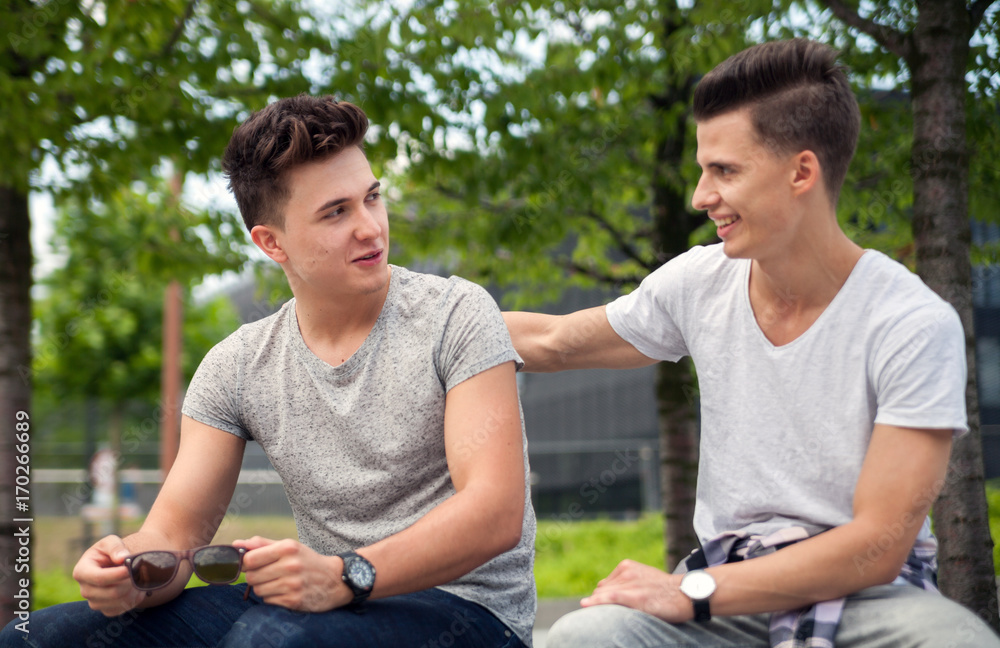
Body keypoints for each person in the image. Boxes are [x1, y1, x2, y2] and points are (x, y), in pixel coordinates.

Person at [505, 39, 1000, 647]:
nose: (700, 196)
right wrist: (408, 310)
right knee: (584, 637)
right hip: (724, 591)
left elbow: (874, 546)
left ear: (801, 172)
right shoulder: (698, 282)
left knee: (958, 641)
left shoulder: (913, 324)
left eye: (725, 171)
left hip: (868, 602)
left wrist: (689, 592)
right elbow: (554, 341)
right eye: (702, 168)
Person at [1, 96, 536, 647]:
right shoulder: (237, 365)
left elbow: (495, 514)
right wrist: (128, 572)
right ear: (270, 242)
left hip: (468, 613)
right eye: (336, 212)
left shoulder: (459, 313)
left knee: (271, 640)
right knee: (37, 637)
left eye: (372, 198)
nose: (370, 227)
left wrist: (342, 574)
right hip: (321, 607)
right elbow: (173, 536)